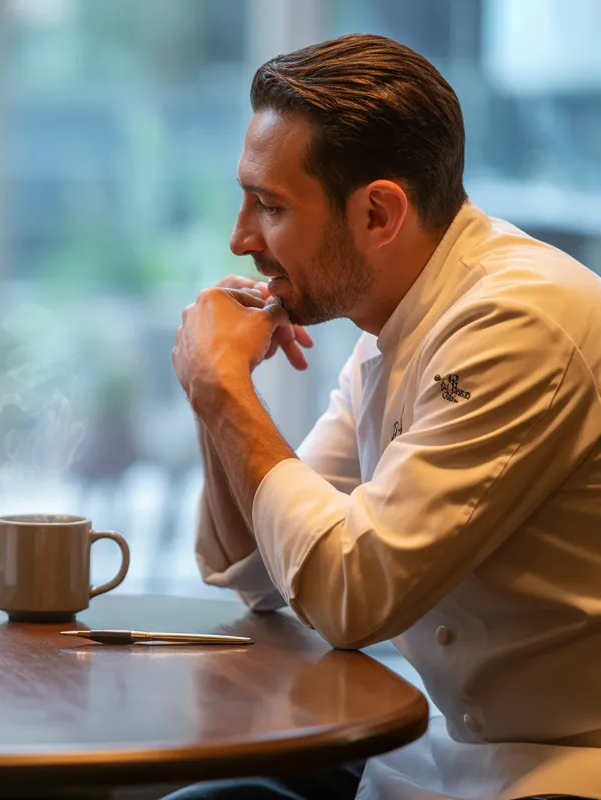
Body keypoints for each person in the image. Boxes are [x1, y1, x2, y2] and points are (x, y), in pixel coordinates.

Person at [168, 33, 601, 800]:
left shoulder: (517, 320)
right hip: (445, 757)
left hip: (563, 770)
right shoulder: (392, 322)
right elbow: (256, 570)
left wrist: (223, 387)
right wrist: (217, 399)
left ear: (377, 213)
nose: (240, 239)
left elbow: (347, 595)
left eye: (269, 206)